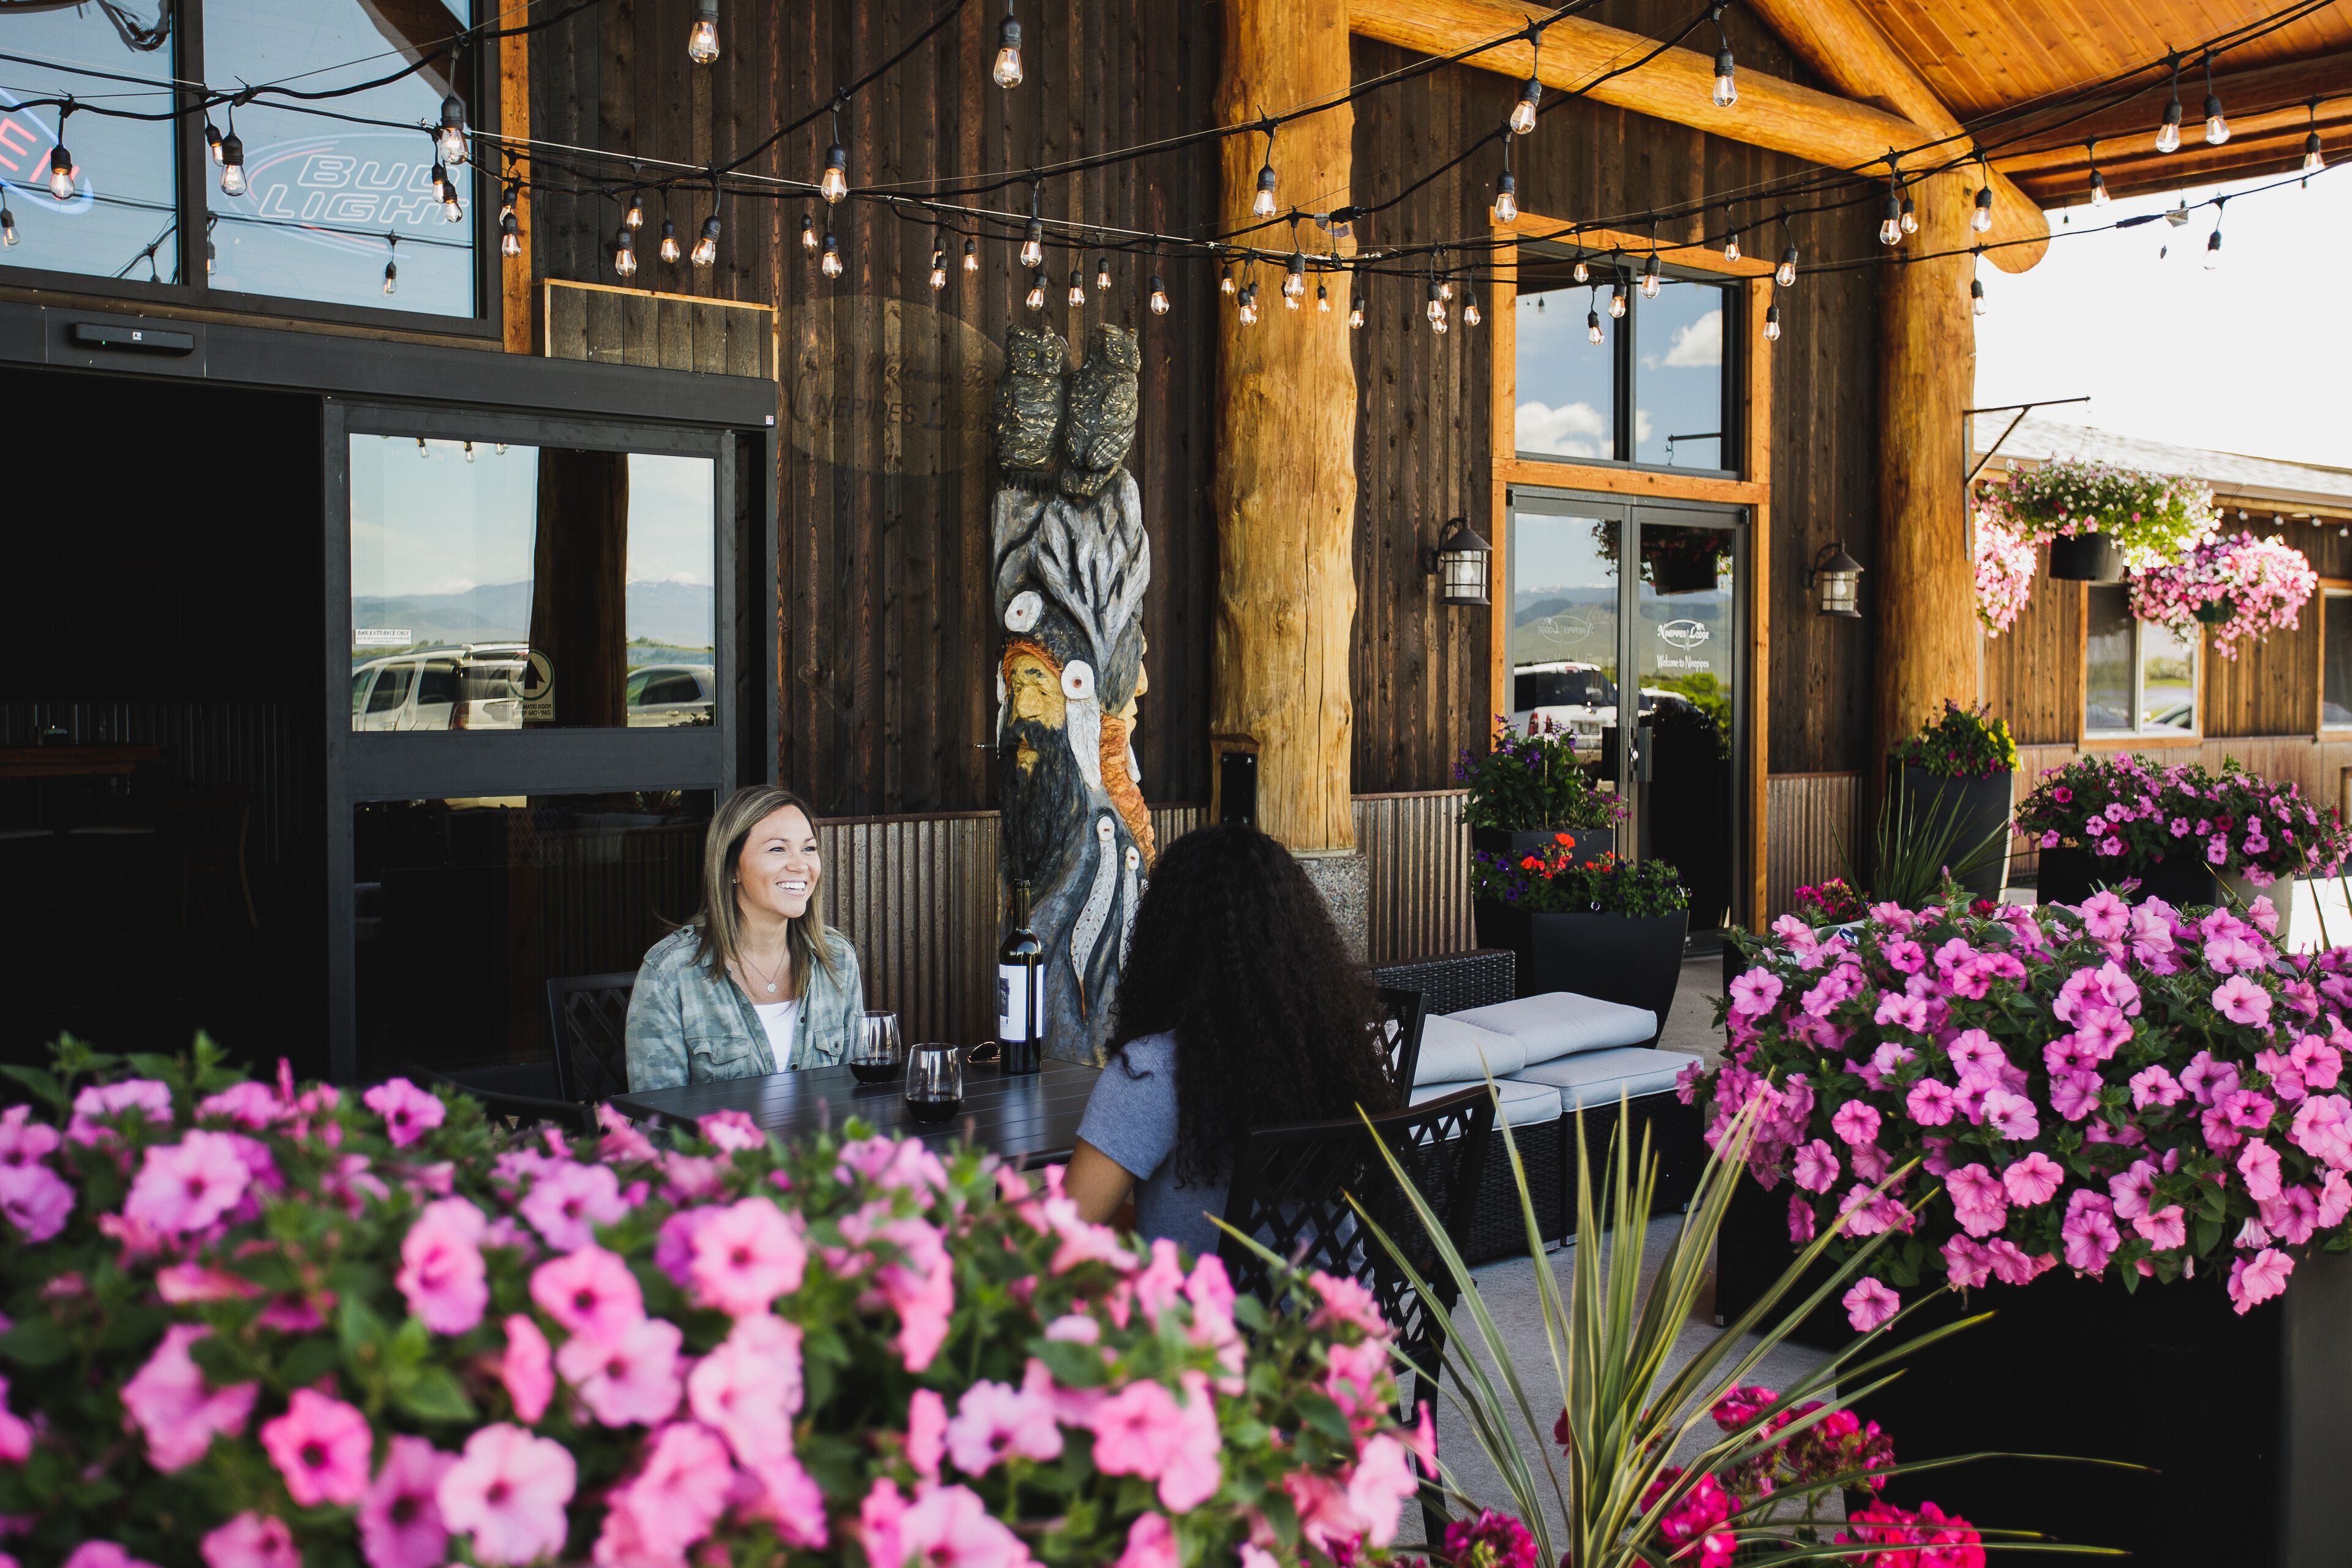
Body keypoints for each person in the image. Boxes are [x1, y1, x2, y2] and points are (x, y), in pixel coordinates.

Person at [1063, 822, 1398, 1257]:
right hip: (1340, 1316)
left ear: (1164, 940)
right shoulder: (1327, 1050)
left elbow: (1059, 1240)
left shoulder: (1152, 1071)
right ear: (1295, 936)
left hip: (1213, 1320)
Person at [625, 785, 865, 1090]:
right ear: (730, 867)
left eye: (809, 848)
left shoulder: (837, 959)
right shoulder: (670, 973)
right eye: (778, 849)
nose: (800, 865)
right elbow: (656, 1121)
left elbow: (857, 1093)